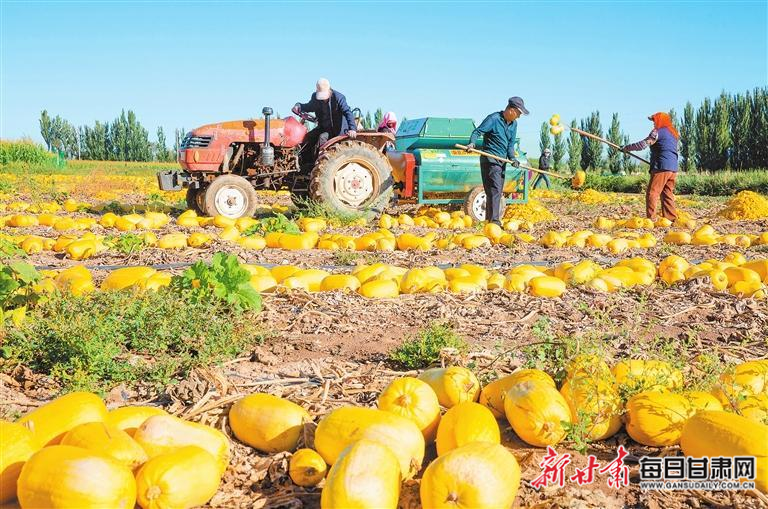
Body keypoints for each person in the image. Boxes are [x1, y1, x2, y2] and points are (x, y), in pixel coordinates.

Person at [466, 96, 529, 225]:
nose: (519, 116)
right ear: (511, 110)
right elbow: (477, 132)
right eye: (519, 113)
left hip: (501, 161)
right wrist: (472, 144)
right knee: (495, 190)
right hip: (489, 159)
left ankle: (489, 221)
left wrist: (512, 158)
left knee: (494, 192)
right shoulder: (493, 119)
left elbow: (510, 145)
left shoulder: (514, 124)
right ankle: (495, 222)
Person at [622, 112, 679, 221]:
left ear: (660, 121)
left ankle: (651, 219)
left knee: (652, 193)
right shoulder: (674, 134)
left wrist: (627, 148)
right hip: (673, 168)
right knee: (667, 193)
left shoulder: (657, 132)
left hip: (662, 167)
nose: (653, 124)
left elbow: (643, 144)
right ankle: (671, 218)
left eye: (654, 121)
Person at [292, 78, 358, 166]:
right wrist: (299, 106)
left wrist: (352, 129)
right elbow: (309, 106)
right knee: (308, 137)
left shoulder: (338, 97)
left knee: (322, 138)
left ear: (329, 90)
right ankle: (303, 164)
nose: (323, 99)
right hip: (323, 127)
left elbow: (347, 112)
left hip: (337, 129)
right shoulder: (315, 97)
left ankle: (319, 165)